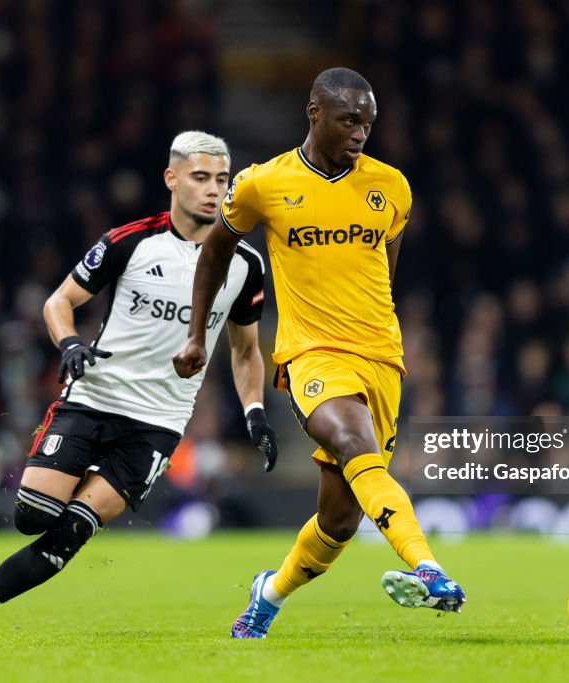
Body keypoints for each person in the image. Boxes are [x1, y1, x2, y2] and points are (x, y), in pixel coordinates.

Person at [0, 131, 277, 636]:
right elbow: (57, 303)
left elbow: (246, 351)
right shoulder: (129, 241)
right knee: (32, 515)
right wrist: (69, 344)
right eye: (201, 177)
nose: (213, 190)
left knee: (71, 534)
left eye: (222, 180)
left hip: (157, 423)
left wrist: (254, 412)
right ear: (172, 179)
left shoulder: (245, 265)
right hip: (93, 398)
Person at [173, 68, 465, 639]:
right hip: (312, 354)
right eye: (349, 120)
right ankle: (427, 565)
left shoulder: (392, 188)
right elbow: (214, 254)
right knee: (356, 443)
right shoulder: (263, 184)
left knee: (338, 520)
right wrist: (195, 334)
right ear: (314, 113)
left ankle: (269, 594)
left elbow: (385, 272)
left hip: (380, 359)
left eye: (369, 124)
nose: (361, 133)